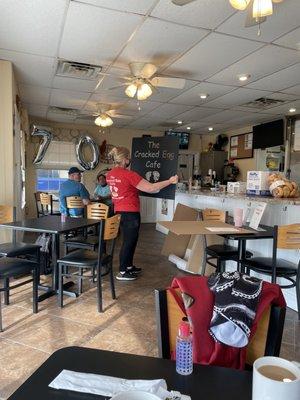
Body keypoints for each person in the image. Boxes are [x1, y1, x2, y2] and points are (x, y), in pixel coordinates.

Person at [106, 146, 178, 281]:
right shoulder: (129, 175)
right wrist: (170, 181)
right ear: (125, 159)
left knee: (130, 240)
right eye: (129, 158)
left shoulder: (110, 174)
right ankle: (122, 271)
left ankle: (128, 266)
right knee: (129, 241)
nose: (130, 160)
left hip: (119, 211)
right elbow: (151, 188)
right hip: (130, 212)